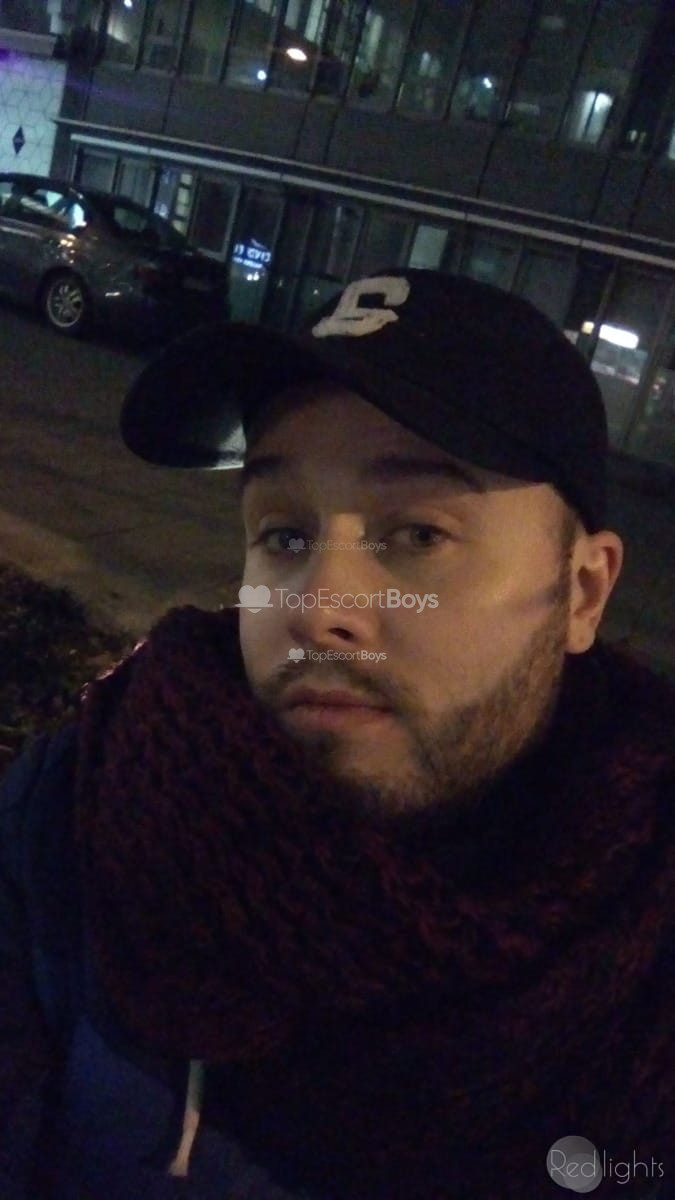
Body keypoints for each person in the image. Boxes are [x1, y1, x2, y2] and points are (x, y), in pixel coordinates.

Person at [1, 269, 673, 1200]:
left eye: (418, 536)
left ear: (581, 593)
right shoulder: (79, 812)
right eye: (283, 535)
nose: (318, 608)